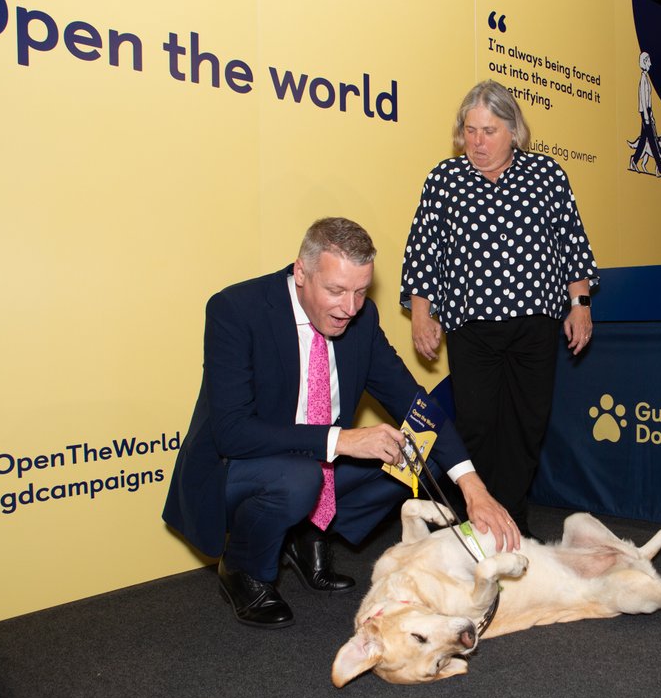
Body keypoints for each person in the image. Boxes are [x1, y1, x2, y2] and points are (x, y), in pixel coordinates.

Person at [163, 217, 519, 629]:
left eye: (360, 292)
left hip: (315, 460)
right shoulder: (235, 310)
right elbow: (233, 432)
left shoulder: (361, 320)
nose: (349, 308)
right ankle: (243, 569)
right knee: (298, 479)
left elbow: (414, 403)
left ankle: (306, 533)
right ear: (301, 272)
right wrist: (342, 440)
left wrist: (472, 484)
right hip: (239, 467)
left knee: (421, 455)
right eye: (335, 291)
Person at [401, 80, 598, 538]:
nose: (477, 142)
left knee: (527, 426)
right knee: (477, 426)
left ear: (513, 130)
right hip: (472, 326)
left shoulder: (547, 175)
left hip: (536, 323)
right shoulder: (444, 180)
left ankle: (512, 523)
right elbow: (423, 251)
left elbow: (573, 246)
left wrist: (580, 304)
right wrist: (421, 313)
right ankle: (480, 520)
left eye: (488, 131)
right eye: (470, 130)